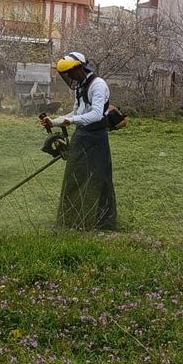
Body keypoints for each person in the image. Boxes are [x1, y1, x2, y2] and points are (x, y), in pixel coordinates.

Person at [40, 52, 117, 231]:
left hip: (97, 138)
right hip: (82, 135)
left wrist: (72, 121)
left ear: (80, 67)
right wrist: (56, 121)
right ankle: (72, 219)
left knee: (98, 179)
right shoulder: (81, 87)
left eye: (71, 73)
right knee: (75, 177)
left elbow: (97, 114)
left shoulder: (98, 85)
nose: (70, 77)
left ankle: (101, 221)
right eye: (67, 75)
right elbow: (77, 112)